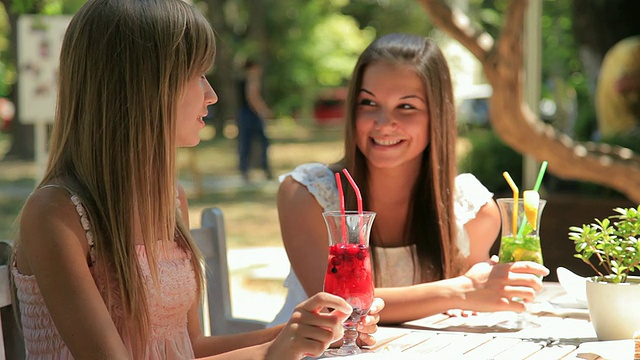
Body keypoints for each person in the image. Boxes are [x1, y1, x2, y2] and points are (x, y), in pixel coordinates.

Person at [9, 0, 382, 359]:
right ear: (142, 87)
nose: (212, 95)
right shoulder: (56, 215)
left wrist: (314, 331)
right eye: (197, 75)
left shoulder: (169, 200)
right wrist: (270, 352)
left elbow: (191, 349)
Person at [270, 33, 550, 326]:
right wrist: (462, 291)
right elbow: (335, 306)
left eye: (406, 106)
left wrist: (480, 294)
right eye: (368, 102)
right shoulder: (308, 194)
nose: (384, 122)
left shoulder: (472, 210)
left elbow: (471, 304)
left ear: (437, 116)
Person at [237, 60, 273, 183]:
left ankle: (246, 169)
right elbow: (253, 97)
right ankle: (261, 168)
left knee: (246, 142)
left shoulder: (244, 80)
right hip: (251, 115)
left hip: (245, 114)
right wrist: (263, 111)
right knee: (259, 142)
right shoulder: (252, 80)